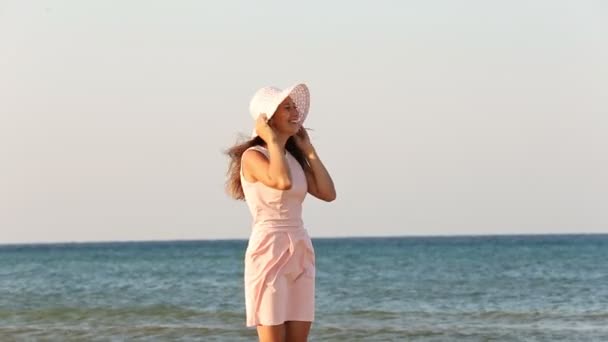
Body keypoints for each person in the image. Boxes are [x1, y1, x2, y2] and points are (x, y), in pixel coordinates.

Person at [225, 83, 336, 342]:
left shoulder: (293, 159)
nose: (295, 112)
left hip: (300, 250)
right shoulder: (253, 156)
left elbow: (328, 193)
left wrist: (309, 150)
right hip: (269, 250)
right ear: (268, 118)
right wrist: (272, 140)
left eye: (294, 107)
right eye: (287, 108)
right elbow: (282, 182)